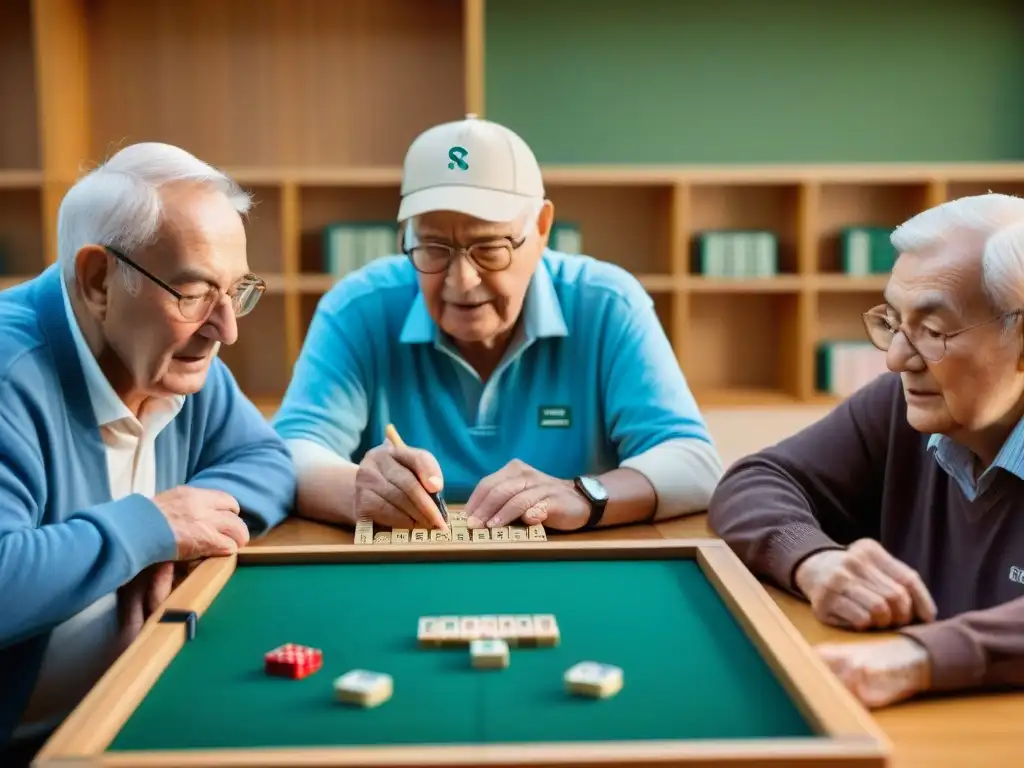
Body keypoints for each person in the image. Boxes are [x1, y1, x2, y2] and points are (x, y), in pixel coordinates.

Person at [273, 114, 722, 534]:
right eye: (432, 247)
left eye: (489, 248)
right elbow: (288, 455)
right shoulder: (359, 307)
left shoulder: (607, 303)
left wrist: (583, 494)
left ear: (542, 227)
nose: (461, 281)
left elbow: (693, 463)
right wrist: (356, 489)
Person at [0, 143, 296, 762]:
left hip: (118, 717)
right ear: (98, 280)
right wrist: (148, 529)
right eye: (193, 293)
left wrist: (176, 530)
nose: (226, 328)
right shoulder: (10, 374)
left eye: (236, 291)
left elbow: (267, 463)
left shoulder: (181, 357)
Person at [707, 192, 1024, 710]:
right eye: (894, 322)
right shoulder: (897, 409)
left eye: (934, 330)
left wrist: (919, 656)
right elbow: (755, 480)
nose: (897, 359)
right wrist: (814, 560)